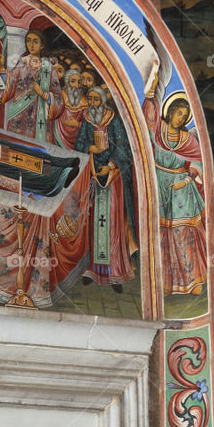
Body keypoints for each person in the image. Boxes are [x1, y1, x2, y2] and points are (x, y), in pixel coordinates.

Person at [144, 87, 206, 295]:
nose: (181, 118)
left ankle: (192, 281)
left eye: (185, 116)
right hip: (159, 186)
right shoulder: (157, 131)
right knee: (162, 235)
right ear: (169, 112)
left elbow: (198, 163)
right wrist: (150, 94)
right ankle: (168, 284)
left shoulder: (188, 141)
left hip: (182, 191)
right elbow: (146, 117)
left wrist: (186, 180)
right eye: (178, 113)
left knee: (183, 234)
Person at [75, 87, 135, 287]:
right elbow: (79, 144)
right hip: (93, 174)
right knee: (94, 222)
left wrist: (109, 166)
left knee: (112, 222)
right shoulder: (87, 120)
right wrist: (92, 149)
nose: (92, 103)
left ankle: (115, 270)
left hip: (112, 178)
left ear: (102, 100)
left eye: (95, 99)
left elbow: (124, 147)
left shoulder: (114, 120)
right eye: (89, 99)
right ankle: (95, 269)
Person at [1, 28, 63, 144]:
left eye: (35, 41)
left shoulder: (48, 68)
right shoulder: (21, 63)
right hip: (20, 114)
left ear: (42, 45)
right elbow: (9, 87)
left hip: (39, 118)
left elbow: (58, 97)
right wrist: (1, 76)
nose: (31, 45)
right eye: (28, 41)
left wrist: (44, 94)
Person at [55, 66, 88, 149]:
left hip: (75, 139)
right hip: (57, 134)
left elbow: (89, 123)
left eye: (79, 82)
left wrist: (78, 124)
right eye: (73, 81)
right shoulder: (60, 95)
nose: (76, 86)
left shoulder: (84, 101)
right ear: (67, 83)